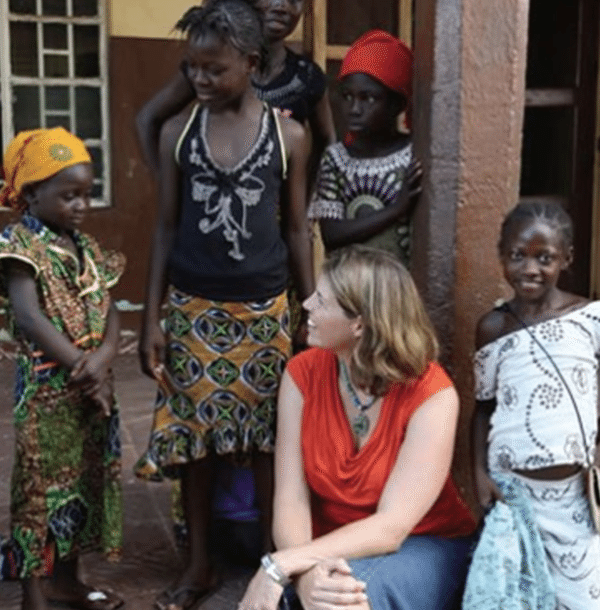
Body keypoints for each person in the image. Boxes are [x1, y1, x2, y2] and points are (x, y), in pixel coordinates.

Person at [133, 2, 314, 609]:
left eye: (214, 69)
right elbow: (165, 228)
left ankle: (270, 560)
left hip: (265, 312)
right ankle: (200, 564)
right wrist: (151, 318)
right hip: (193, 310)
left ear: (251, 64)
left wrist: (309, 308)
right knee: (196, 444)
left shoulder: (289, 137)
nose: (200, 79)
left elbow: (295, 229)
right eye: (193, 68)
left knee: (267, 443)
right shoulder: (177, 134)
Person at [239, 245, 477, 610]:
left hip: (421, 541)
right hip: (328, 547)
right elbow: (291, 498)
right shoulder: (302, 374)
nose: (307, 305)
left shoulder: (433, 395)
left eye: (321, 300)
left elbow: (392, 527)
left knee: (349, 599)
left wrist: (282, 565)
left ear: (360, 324)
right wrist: (304, 576)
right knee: (315, 597)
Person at [0, 127, 125, 610]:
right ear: (32, 193)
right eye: (69, 195)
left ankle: (68, 580)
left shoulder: (85, 246)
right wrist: (82, 367)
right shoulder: (20, 245)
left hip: (92, 387)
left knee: (83, 484)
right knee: (39, 493)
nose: (81, 205)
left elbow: (110, 308)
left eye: (86, 195)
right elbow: (29, 317)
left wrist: (105, 357)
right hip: (47, 394)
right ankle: (34, 592)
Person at [471, 201, 600, 609]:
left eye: (545, 258)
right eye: (518, 255)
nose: (530, 269)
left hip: (576, 498)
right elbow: (483, 408)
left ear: (567, 258)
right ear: (501, 255)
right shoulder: (493, 327)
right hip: (513, 495)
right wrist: (479, 473)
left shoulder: (590, 319)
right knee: (515, 597)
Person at [135, 0, 336, 176]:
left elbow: (326, 141)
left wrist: (307, 197)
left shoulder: (306, 77)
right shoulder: (212, 68)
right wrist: (168, 186)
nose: (281, 6)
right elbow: (148, 120)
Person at [308, 30, 422, 265]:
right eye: (347, 96)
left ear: (397, 104)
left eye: (368, 98)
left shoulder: (414, 154)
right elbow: (332, 235)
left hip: (399, 282)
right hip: (349, 282)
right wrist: (396, 209)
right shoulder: (336, 159)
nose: (354, 109)